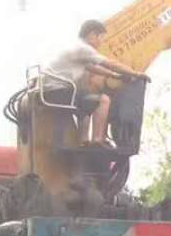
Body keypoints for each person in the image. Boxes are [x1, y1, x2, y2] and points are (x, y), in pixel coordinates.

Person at [44, 19, 150, 147]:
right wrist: (135, 73)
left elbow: (91, 67)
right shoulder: (83, 49)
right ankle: (97, 141)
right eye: (101, 37)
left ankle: (83, 140)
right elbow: (110, 63)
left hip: (52, 91)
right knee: (103, 100)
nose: (101, 42)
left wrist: (114, 75)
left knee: (87, 99)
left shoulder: (75, 47)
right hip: (59, 92)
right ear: (92, 35)